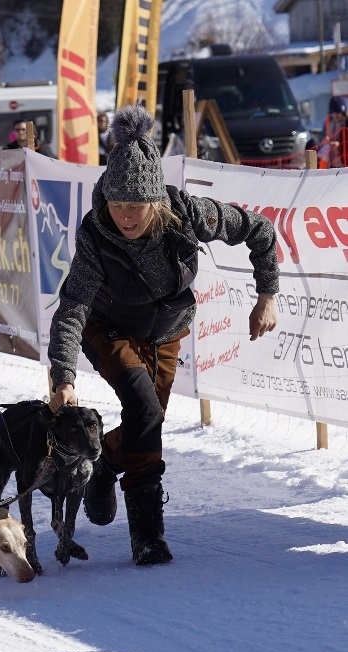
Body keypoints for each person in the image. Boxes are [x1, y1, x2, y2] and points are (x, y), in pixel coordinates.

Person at [47, 105, 278, 566]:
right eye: (117, 205)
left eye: (135, 207)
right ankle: (148, 537)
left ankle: (103, 466)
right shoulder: (96, 234)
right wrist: (63, 378)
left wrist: (267, 294)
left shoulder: (190, 214)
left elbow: (260, 230)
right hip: (108, 326)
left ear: (155, 201)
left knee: (146, 423)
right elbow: (72, 307)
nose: (125, 216)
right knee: (143, 406)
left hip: (166, 329)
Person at [317, 96, 348, 168]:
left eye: (339, 113)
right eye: (335, 114)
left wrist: (339, 144)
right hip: (332, 159)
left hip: (344, 157)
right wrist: (324, 140)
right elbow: (322, 138)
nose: (337, 116)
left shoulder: (346, 122)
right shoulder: (329, 122)